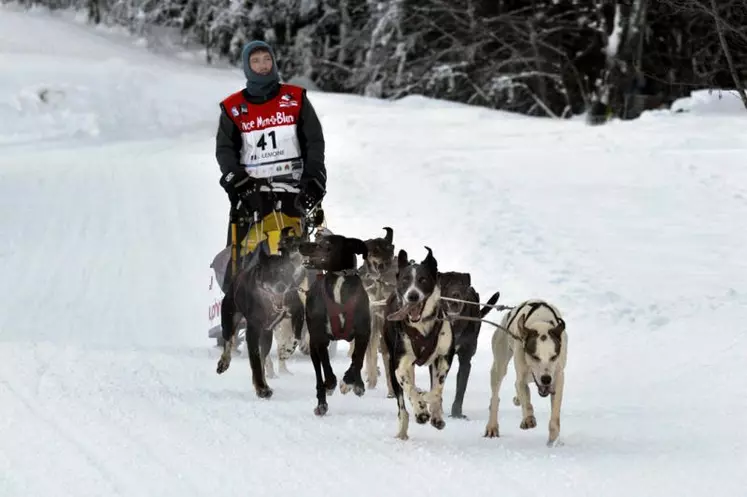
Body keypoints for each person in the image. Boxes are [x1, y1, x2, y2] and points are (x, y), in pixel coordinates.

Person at [215, 40, 326, 265]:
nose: (263, 65)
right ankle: (236, 296)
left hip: (293, 189)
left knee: (299, 257)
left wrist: (314, 179)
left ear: (274, 62)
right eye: (255, 61)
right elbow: (225, 150)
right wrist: (237, 181)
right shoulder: (233, 108)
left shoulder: (295, 99)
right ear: (247, 66)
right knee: (242, 261)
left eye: (267, 59)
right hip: (252, 192)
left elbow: (314, 142)